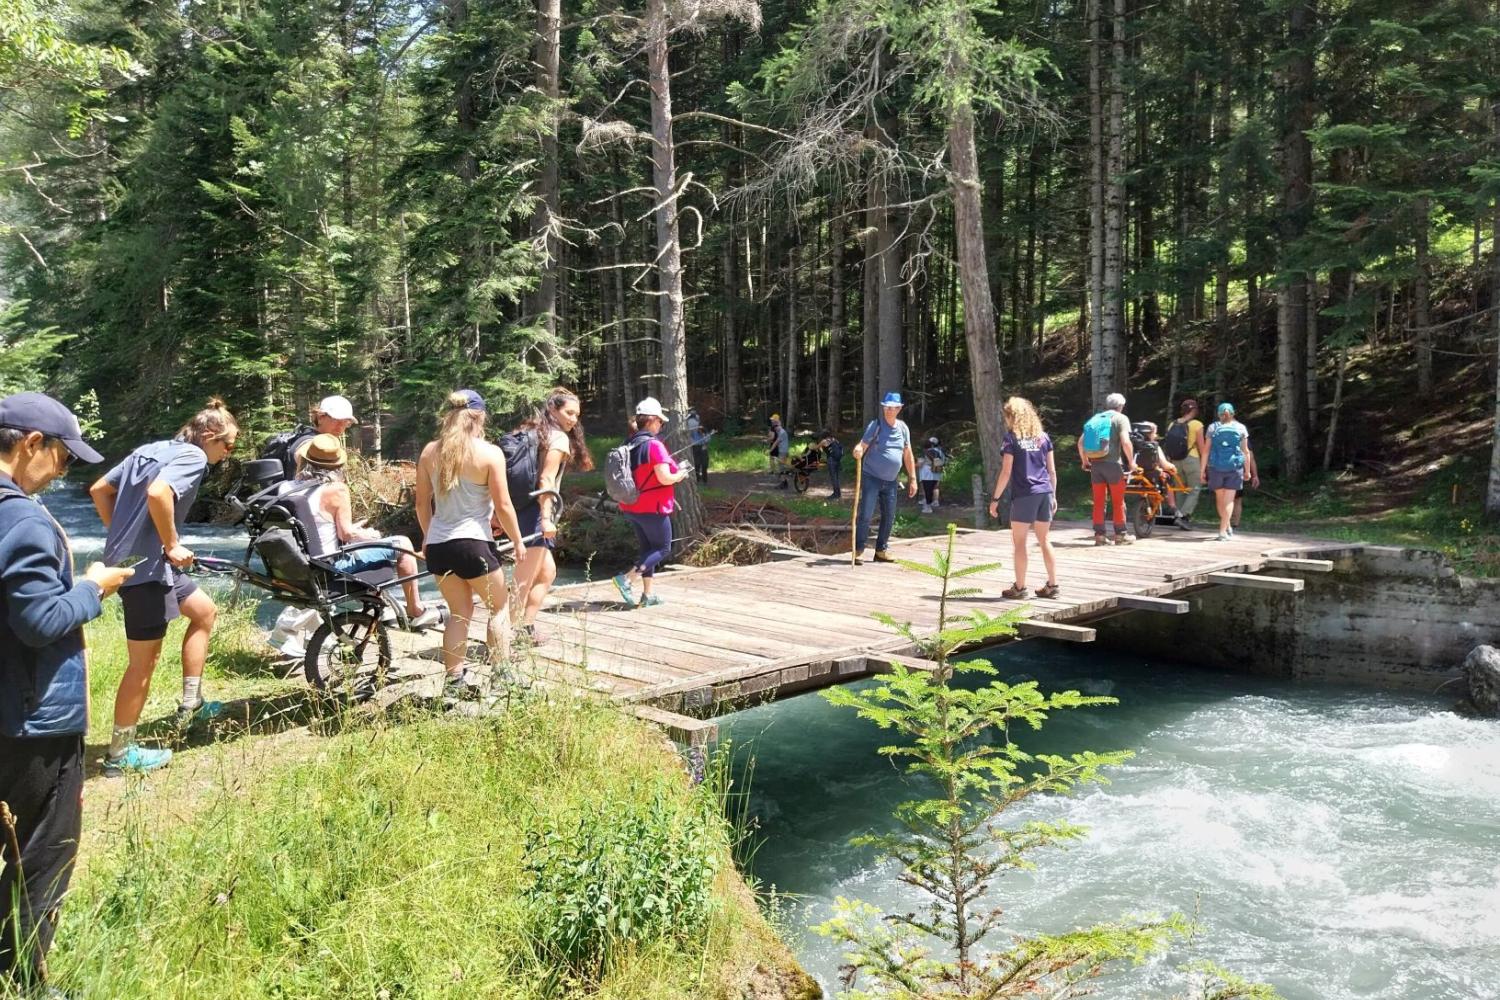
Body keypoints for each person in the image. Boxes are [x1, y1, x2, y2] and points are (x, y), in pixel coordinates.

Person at [0, 393, 133, 994]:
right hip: (32, 724)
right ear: (31, 444)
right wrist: (92, 587)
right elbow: (39, 621)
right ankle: (24, 980)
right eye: (60, 457)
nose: (61, 471)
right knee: (42, 854)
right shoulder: (22, 519)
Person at [91, 398, 240, 777]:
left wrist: (124, 538)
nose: (227, 455)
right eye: (228, 445)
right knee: (143, 664)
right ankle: (119, 754)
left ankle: (192, 701)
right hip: (148, 572)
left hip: (147, 565)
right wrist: (171, 544)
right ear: (209, 436)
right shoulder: (192, 457)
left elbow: (98, 490)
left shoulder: (150, 449)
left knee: (204, 611)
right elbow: (159, 494)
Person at [415, 390, 528, 694]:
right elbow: (503, 506)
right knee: (499, 608)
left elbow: (421, 505)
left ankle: (454, 683)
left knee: (458, 613)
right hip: (473, 543)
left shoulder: (429, 452)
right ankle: (502, 676)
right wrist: (517, 541)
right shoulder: (489, 453)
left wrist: (427, 537)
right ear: (479, 417)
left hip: (440, 545)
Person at [296, 434, 439, 627]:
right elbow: (346, 534)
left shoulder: (289, 488)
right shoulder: (336, 489)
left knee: (371, 547)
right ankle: (415, 611)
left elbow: (316, 527)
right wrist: (371, 535)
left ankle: (383, 607)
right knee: (402, 544)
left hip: (302, 564)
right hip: (330, 565)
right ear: (336, 465)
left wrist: (354, 531)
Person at [511, 387, 593, 646]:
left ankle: (525, 627)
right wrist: (546, 518)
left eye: (577, 415)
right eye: (568, 412)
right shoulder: (557, 439)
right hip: (537, 512)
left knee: (547, 572)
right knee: (523, 580)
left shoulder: (536, 432)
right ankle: (507, 635)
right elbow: (545, 479)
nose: (573, 419)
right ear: (553, 410)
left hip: (523, 509)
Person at [613, 398, 689, 608]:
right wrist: (679, 475)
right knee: (664, 548)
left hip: (631, 506)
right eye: (660, 422)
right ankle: (627, 579)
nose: (660, 426)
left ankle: (647, 595)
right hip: (652, 507)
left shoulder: (628, 443)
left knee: (648, 549)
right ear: (653, 420)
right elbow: (664, 477)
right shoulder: (654, 445)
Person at [987, 396, 1059, 599]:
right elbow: (1052, 471)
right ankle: (1053, 585)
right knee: (1044, 540)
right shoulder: (1043, 437)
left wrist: (995, 499)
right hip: (1044, 492)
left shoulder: (1011, 438)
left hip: (1025, 494)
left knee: (1019, 542)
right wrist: (1053, 495)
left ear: (1012, 416)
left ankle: (1019, 588)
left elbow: (1006, 471)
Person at [851, 392, 917, 564]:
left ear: (899, 409)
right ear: (883, 408)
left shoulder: (903, 428)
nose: (889, 410)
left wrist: (913, 478)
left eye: (893, 407)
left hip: (891, 481)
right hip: (872, 477)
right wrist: (857, 450)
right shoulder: (876, 425)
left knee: (889, 515)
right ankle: (858, 550)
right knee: (866, 514)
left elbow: (908, 454)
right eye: (887, 407)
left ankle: (881, 550)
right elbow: (862, 444)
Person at [1077, 391, 1136, 546]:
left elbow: (1080, 443)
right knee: (1118, 500)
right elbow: (1126, 442)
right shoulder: (1120, 418)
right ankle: (1121, 535)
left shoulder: (1096, 419)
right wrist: (1131, 462)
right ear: (1121, 406)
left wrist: (1085, 461)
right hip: (1113, 465)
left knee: (1098, 501)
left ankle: (1099, 536)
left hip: (1096, 466)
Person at [259, 394, 358, 481]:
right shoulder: (311, 442)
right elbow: (300, 454)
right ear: (320, 418)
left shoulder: (307, 436)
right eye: (336, 420)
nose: (341, 426)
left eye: (346, 422)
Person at [1201, 401, 1256, 541]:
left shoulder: (1213, 427)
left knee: (1220, 499)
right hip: (1234, 468)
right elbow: (1246, 452)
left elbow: (1206, 451)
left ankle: (1225, 528)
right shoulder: (1241, 428)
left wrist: (1202, 470)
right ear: (1232, 414)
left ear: (1219, 414)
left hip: (1215, 467)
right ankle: (1223, 531)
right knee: (1229, 500)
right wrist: (1247, 471)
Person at [1163, 398, 1205, 527]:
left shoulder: (1172, 424)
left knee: (1180, 490)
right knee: (1195, 489)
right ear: (1193, 410)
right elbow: (1201, 447)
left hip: (1175, 461)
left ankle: (1179, 517)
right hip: (1191, 459)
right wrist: (1205, 465)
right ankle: (1184, 516)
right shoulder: (1197, 424)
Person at [1131, 421, 1181, 520]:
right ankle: (1172, 506)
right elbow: (1164, 464)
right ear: (1149, 434)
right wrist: (1173, 467)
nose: (1156, 435)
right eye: (1154, 433)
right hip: (1152, 476)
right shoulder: (1154, 446)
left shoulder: (1130, 445)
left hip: (1133, 475)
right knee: (1169, 475)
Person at [917, 436, 946, 513]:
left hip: (927, 474)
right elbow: (943, 462)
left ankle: (928, 507)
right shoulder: (941, 451)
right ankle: (934, 501)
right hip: (937, 472)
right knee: (934, 488)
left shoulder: (925, 452)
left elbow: (920, 464)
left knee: (927, 490)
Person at [817, 430, 845, 498]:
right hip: (838, 460)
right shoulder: (834, 439)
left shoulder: (824, 441)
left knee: (833, 478)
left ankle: (835, 494)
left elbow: (817, 447)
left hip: (831, 460)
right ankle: (838, 493)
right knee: (836, 477)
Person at [686, 407, 710, 484]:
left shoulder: (701, 427)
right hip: (694, 447)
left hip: (702, 447)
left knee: (704, 464)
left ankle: (704, 480)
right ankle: (697, 480)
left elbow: (707, 438)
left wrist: (703, 434)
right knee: (696, 464)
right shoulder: (687, 424)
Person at [768, 414, 790, 487]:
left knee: (782, 467)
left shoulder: (781, 433)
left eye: (776, 427)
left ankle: (783, 483)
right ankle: (784, 482)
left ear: (778, 426)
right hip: (784, 451)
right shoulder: (781, 431)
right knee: (782, 466)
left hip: (783, 452)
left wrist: (770, 450)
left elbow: (775, 443)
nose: (775, 429)